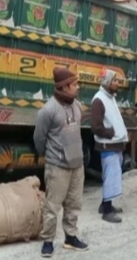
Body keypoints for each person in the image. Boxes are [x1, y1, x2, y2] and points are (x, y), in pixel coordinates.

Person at [34, 68, 88, 257]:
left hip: (77, 165)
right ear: (64, 87)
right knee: (52, 206)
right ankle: (48, 241)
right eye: (74, 85)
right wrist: (50, 158)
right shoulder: (48, 110)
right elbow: (39, 139)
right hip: (57, 167)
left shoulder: (77, 106)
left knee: (74, 203)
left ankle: (70, 237)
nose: (78, 87)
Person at [90, 69, 127, 224]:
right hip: (108, 145)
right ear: (107, 82)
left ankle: (106, 204)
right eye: (115, 80)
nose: (117, 83)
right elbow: (96, 126)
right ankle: (106, 211)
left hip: (114, 144)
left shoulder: (109, 97)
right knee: (111, 176)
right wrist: (111, 133)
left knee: (112, 176)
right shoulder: (98, 100)